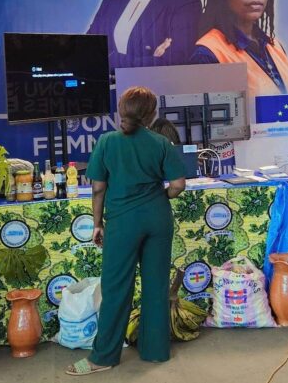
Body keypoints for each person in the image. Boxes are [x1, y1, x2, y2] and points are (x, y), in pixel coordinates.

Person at [66, 87, 186, 376]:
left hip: (122, 223)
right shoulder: (161, 143)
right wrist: (162, 197)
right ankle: (155, 351)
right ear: (151, 115)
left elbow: (97, 188)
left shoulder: (107, 142)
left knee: (116, 287)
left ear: (122, 110)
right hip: (158, 218)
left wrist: (97, 223)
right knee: (156, 285)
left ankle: (103, 357)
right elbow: (179, 185)